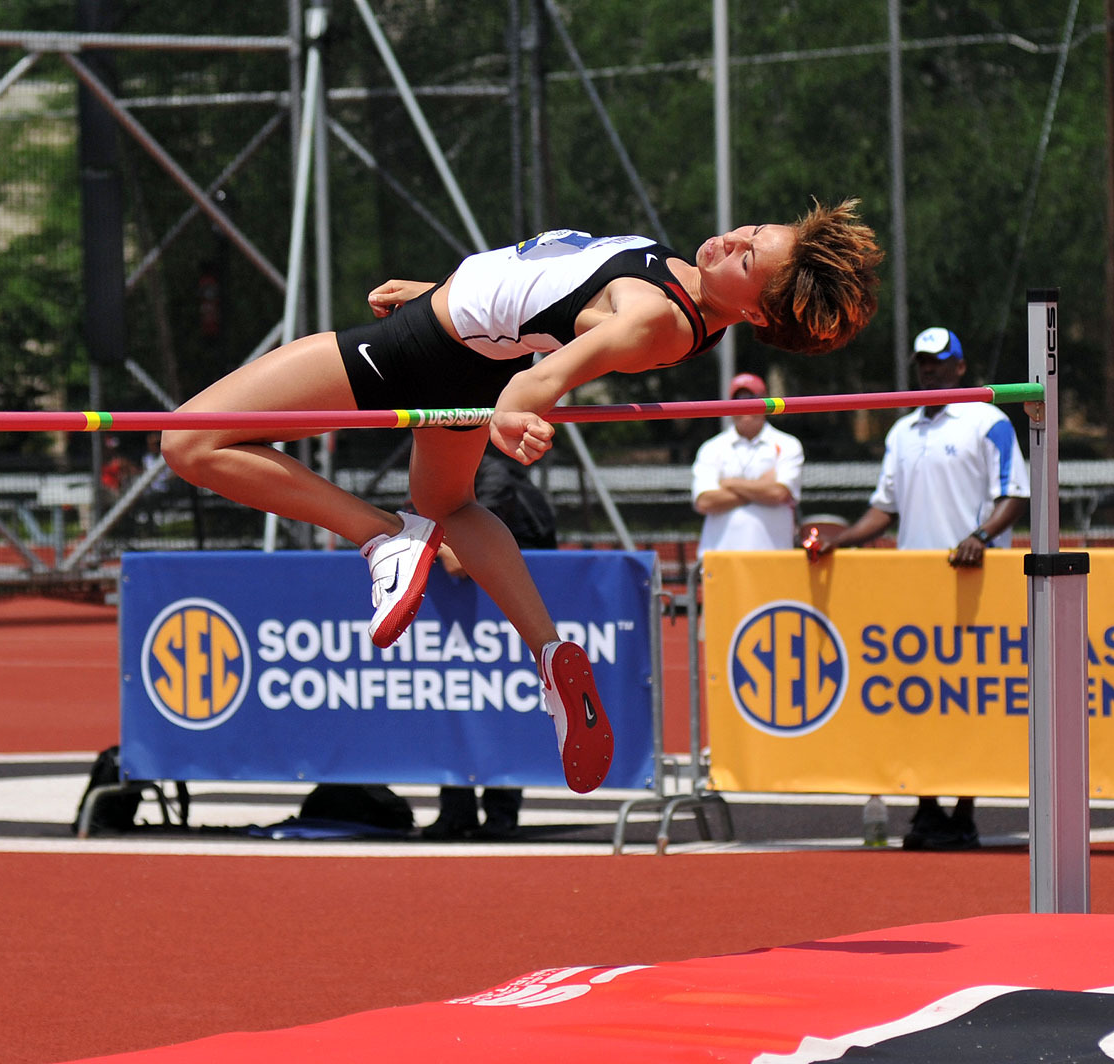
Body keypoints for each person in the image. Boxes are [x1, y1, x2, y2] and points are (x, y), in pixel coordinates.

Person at [161, 199, 883, 795]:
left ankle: (380, 534)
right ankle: (550, 653)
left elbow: (533, 383)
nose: (730, 239)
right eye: (751, 230)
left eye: (746, 259)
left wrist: (517, 407)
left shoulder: (653, 321)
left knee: (189, 443)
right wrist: (440, 294)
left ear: (754, 316)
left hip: (425, 355)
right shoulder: (682, 292)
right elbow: (544, 282)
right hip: (459, 345)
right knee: (450, 505)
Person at [810, 326, 1030, 850]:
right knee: (919, 700)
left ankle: (965, 811)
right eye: (923, 362)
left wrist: (980, 536)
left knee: (967, 700)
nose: (929, 369)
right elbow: (884, 510)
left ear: (960, 366)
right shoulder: (902, 431)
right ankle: (927, 809)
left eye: (939, 361)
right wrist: (842, 539)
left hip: (973, 579)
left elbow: (1015, 493)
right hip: (914, 584)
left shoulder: (988, 420)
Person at [423, 448, 559, 840]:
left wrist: (438, 544)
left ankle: (501, 812)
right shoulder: (436, 468)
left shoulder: (492, 477)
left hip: (511, 612)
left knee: (504, 704)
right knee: (453, 699)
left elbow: (460, 558)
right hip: (463, 616)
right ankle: (456, 809)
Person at [692, 372, 804, 551]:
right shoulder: (711, 447)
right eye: (739, 399)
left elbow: (779, 494)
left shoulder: (788, 444)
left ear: (765, 402)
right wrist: (762, 486)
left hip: (774, 558)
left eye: (752, 398)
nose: (746, 405)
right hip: (720, 559)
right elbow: (705, 501)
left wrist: (729, 483)